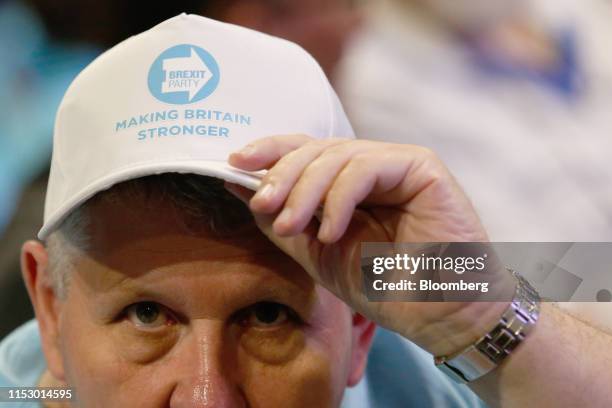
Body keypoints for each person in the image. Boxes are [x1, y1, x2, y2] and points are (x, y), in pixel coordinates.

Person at [1, 13, 612, 408]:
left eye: (268, 316)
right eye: (146, 314)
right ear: (50, 313)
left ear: (360, 327)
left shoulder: (419, 348)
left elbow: (587, 274)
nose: (207, 395)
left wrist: (482, 309)